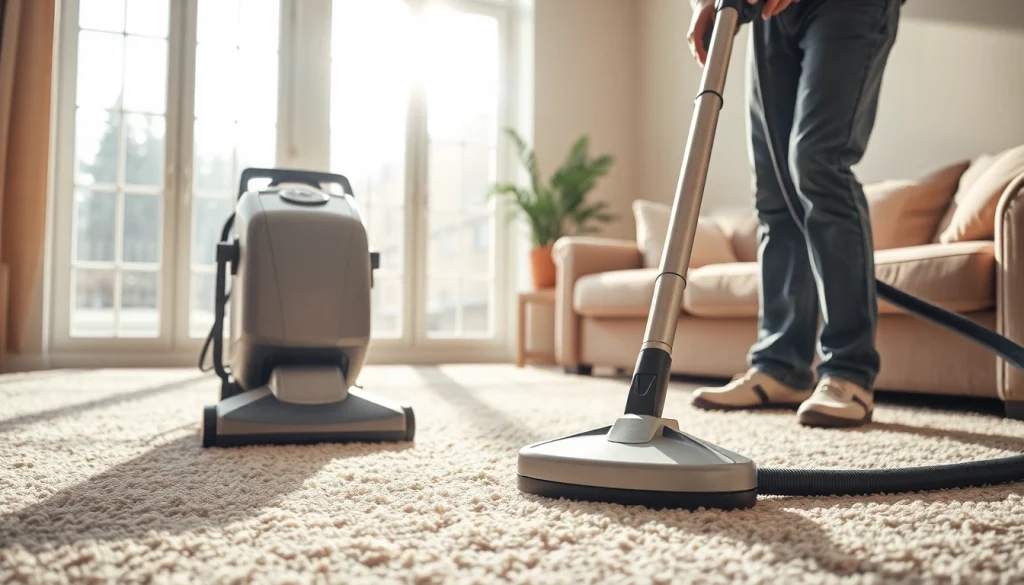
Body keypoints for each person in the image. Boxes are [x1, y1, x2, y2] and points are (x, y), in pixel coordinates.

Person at [686, 0, 902, 427]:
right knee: (774, 185)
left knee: (818, 165)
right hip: (769, 14)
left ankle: (848, 372)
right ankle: (781, 366)